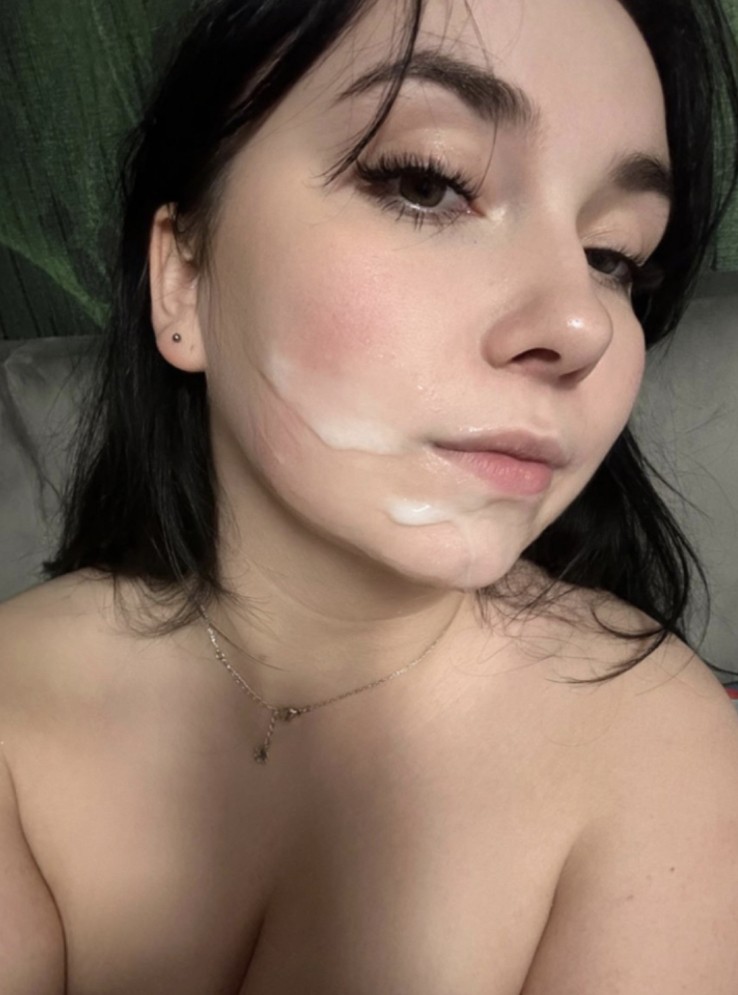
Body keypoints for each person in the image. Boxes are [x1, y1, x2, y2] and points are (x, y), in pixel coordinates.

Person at [2, 0, 738, 990]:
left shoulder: (657, 747)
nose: (581, 323)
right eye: (429, 183)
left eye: (614, 257)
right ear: (183, 279)